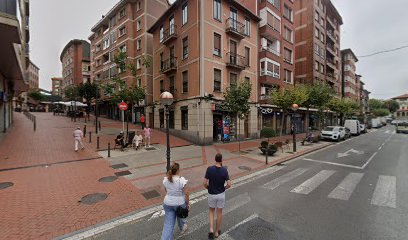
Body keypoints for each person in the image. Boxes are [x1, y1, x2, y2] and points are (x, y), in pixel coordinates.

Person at [203, 153, 232, 239]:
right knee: (219, 213)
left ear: (215, 159)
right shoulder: (224, 170)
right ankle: (216, 232)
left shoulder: (209, 169)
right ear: (221, 160)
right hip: (221, 194)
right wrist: (224, 188)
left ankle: (211, 229)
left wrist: (208, 187)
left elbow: (204, 183)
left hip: (212, 193)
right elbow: (229, 184)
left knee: (211, 211)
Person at [161, 162, 189, 240]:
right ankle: (183, 227)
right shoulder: (181, 180)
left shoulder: (166, 179)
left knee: (168, 224)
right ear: (178, 170)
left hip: (167, 203)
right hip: (179, 203)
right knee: (181, 216)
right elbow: (186, 194)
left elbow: (166, 190)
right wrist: (188, 204)